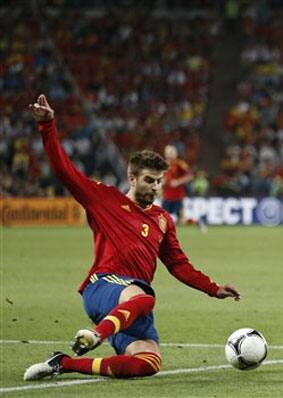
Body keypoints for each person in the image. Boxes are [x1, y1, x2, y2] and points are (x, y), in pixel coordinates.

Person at [24, 95, 241, 381]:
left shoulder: (162, 219)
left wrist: (213, 288)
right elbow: (65, 171)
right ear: (132, 177)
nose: (156, 187)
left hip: (130, 305)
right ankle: (95, 334)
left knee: (147, 363)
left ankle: (63, 363)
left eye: (159, 181)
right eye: (150, 180)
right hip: (103, 286)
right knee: (146, 297)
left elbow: (178, 265)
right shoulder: (104, 199)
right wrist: (47, 126)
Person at [162, 144, 193, 224]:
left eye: (171, 152)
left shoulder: (180, 164)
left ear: (175, 153)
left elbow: (190, 176)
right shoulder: (163, 164)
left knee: (181, 220)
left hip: (178, 197)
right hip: (166, 197)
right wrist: (161, 181)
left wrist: (178, 182)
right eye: (168, 152)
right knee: (163, 220)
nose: (170, 154)